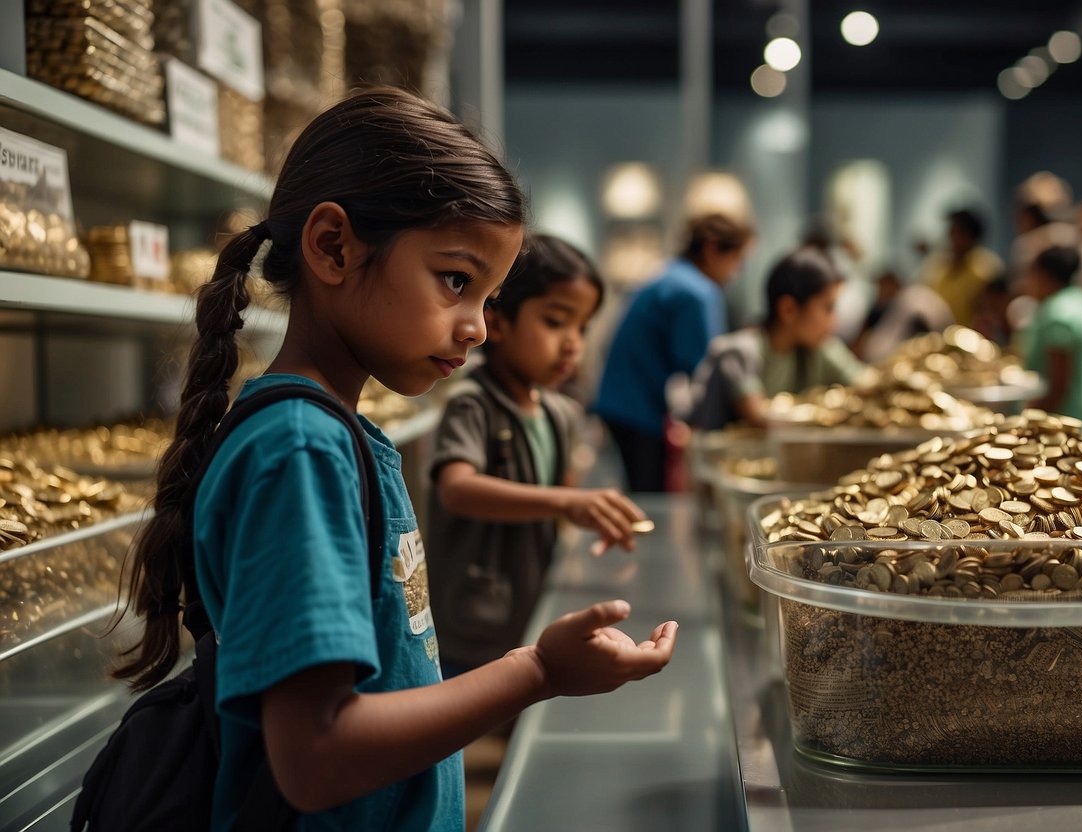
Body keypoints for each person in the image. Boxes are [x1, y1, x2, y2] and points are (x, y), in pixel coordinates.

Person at [112, 88, 677, 830]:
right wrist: (535, 671)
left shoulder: (332, 435)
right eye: (455, 280)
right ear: (333, 247)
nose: (476, 327)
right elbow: (316, 758)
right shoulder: (300, 450)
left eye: (489, 295)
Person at [427, 234, 647, 673]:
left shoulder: (561, 413)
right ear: (499, 321)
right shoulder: (472, 404)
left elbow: (560, 505)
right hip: (474, 627)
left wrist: (588, 519)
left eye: (582, 328)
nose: (572, 344)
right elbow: (457, 489)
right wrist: (568, 502)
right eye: (555, 322)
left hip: (532, 607)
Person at [594, 212, 754, 492]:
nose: (737, 271)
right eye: (736, 260)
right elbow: (705, 365)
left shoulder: (670, 273)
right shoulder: (698, 291)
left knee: (639, 486)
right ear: (712, 249)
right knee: (649, 493)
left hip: (621, 399)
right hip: (640, 407)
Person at [687, 247, 867, 430]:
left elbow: (866, 384)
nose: (834, 322)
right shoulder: (739, 353)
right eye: (828, 308)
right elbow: (760, 418)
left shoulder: (820, 349)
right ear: (788, 309)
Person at [1017, 246, 1082, 427]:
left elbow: (1058, 386)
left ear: (1043, 275)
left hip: (1064, 420)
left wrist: (1029, 422)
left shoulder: (1057, 313)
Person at [918, 207, 1003, 328]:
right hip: (939, 340)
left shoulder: (986, 270)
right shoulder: (937, 266)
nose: (951, 236)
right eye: (951, 231)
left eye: (957, 232)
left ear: (971, 237)